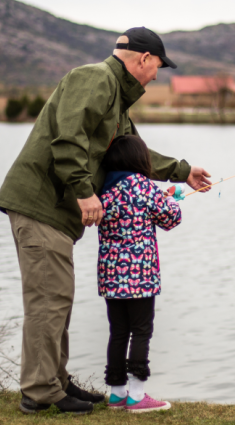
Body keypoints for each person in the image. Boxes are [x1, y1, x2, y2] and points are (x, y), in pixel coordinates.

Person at [0, 27, 211, 415]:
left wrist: (183, 171)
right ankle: (41, 391)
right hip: (42, 203)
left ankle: (54, 381)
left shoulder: (116, 105)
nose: (158, 75)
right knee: (48, 300)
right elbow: (67, 137)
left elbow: (138, 157)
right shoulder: (95, 78)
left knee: (57, 298)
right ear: (143, 59)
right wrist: (82, 189)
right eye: (158, 66)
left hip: (57, 214)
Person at [98, 135, 180, 413]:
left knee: (118, 331)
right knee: (142, 330)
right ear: (139, 159)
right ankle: (136, 394)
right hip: (140, 277)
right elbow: (171, 218)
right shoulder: (144, 186)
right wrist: (172, 200)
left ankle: (116, 393)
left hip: (111, 277)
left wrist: (163, 199)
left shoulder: (103, 190)